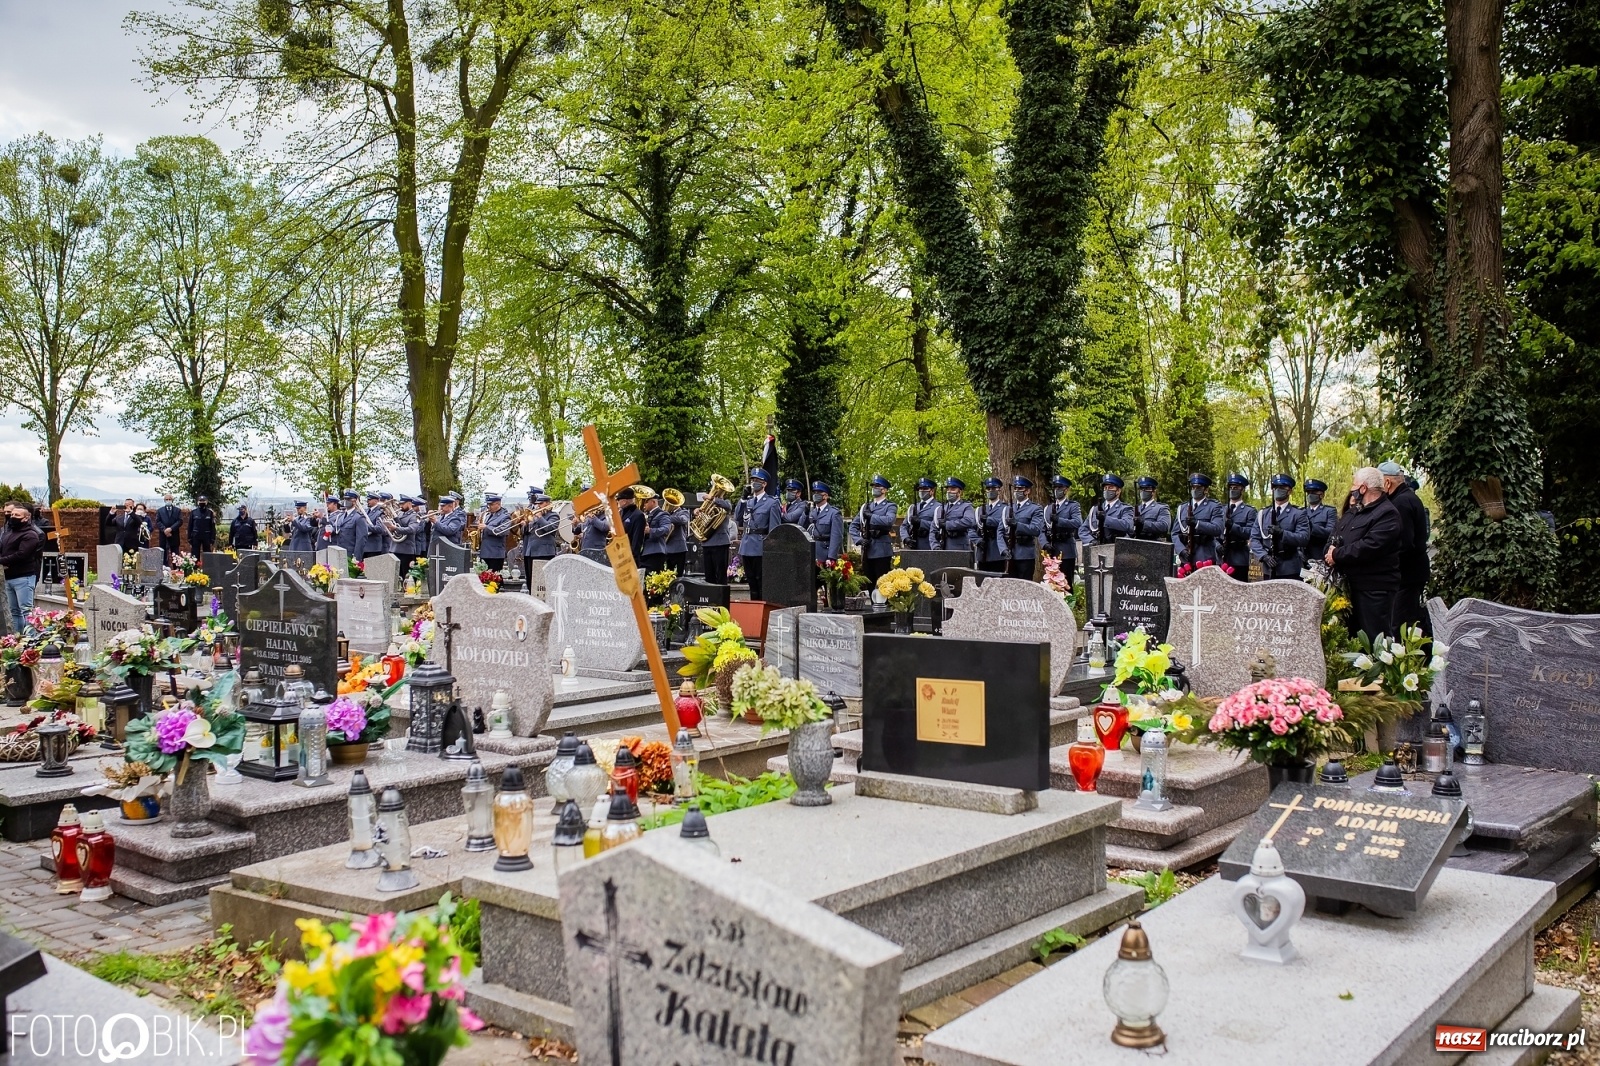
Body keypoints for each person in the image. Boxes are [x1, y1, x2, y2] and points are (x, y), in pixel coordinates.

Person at [1326, 466, 1403, 644]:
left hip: (1374, 589)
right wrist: (1330, 550)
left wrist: (1337, 554)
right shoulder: (1355, 511)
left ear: (1363, 488)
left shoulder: (1387, 513)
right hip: (1350, 586)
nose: (1351, 489)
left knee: (1374, 640)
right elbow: (1336, 534)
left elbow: (1369, 546)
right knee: (1351, 640)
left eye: (1354, 485)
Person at [1379, 460, 1431, 637]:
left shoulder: (1401, 502)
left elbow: (1404, 543)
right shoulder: (1406, 497)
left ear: (1387, 482)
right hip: (1411, 573)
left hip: (1407, 574)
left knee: (1400, 624)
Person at [1250, 474, 1309, 579]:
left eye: (1282, 488)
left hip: (1290, 568)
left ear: (1289, 491)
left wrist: (1282, 533)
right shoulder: (1263, 514)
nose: (1278, 490)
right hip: (1268, 567)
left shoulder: (1298, 513)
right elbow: (1254, 539)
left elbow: (1303, 538)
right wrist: (1263, 556)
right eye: (1275, 487)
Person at [735, 469, 782, 597]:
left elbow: (774, 530)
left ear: (764, 484)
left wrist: (770, 548)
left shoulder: (772, 503)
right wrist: (743, 499)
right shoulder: (748, 501)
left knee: (761, 580)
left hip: (760, 546)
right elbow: (738, 517)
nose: (754, 483)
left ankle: (761, 605)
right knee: (751, 580)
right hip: (747, 545)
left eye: (757, 480)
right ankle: (754, 604)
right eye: (753, 480)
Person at [0, 501, 44, 632]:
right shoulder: (8, 533)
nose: (12, 517)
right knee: (14, 611)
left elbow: (21, 555)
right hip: (9, 576)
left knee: (27, 611)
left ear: (26, 518)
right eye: (12, 514)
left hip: (23, 577)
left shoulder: (31, 535)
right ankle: (17, 637)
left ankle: (31, 638)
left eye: (17, 515)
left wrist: (1, 561)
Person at [850, 475, 898, 582]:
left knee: (883, 584)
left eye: (877, 486)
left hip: (882, 551)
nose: (874, 489)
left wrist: (871, 516)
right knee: (869, 582)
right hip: (867, 549)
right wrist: (859, 540)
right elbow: (853, 526)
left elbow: (889, 520)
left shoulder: (890, 506)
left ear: (884, 490)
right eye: (873, 486)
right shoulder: (866, 507)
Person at [1173, 473, 1225, 567]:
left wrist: (1197, 524)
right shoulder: (1182, 508)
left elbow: (1218, 529)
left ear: (1206, 490)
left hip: (1205, 557)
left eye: (1198, 487)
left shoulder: (1214, 506)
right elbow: (1175, 533)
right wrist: (1181, 550)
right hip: (1186, 558)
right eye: (1193, 487)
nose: (1195, 490)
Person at [1041, 476, 1081, 584]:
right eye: (1055, 488)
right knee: (1051, 584)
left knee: (1066, 584)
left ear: (1066, 490)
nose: (1057, 490)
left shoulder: (1073, 506)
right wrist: (1044, 543)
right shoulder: (1048, 508)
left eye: (1060, 488)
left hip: (1066, 550)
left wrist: (1059, 520)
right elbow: (1042, 529)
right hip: (1052, 550)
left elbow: (1077, 522)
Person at [696, 477, 735, 585]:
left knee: (721, 575)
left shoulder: (725, 502)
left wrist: (713, 499)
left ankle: (721, 595)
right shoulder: (707, 504)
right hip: (707, 542)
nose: (715, 490)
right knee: (709, 576)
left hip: (720, 542)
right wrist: (697, 512)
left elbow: (728, 507)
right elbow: (702, 518)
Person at [1005, 476, 1046, 579]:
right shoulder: (1008, 508)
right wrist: (1003, 550)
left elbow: (1036, 529)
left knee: (1025, 585)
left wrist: (1017, 525)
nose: (1017, 491)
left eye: (1020, 488)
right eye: (1015, 488)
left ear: (1027, 491)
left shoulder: (1035, 508)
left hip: (1025, 554)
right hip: (1010, 553)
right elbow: (1000, 530)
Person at [1081, 475, 1135, 546]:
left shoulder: (1125, 508)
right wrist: (1091, 540)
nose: (1107, 490)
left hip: (1116, 547)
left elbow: (1128, 525)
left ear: (1118, 491)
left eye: (1110, 488)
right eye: (1105, 488)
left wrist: (1106, 519)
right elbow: (1083, 530)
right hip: (1096, 548)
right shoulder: (1095, 509)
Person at [519, 488, 563, 574]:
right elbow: (527, 533)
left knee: (541, 579)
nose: (538, 506)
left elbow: (549, 528)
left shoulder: (553, 516)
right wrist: (525, 525)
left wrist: (540, 517)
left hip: (544, 552)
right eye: (537, 504)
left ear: (548, 504)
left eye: (541, 503)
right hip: (530, 551)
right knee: (529, 578)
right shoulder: (534, 516)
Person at [1221, 474, 1256, 577]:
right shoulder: (1221, 510)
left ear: (1242, 490)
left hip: (1239, 558)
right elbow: (1215, 531)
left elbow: (1250, 532)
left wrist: (1233, 526)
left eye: (1235, 488)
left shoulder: (1249, 511)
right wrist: (1217, 545)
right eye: (1231, 488)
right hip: (1222, 556)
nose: (1232, 490)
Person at [932, 478, 977, 554]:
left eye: (953, 489)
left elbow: (968, 521)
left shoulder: (966, 507)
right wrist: (935, 546)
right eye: (948, 489)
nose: (949, 492)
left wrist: (947, 524)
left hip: (960, 548)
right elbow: (933, 529)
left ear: (959, 492)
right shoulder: (940, 509)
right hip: (943, 547)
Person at [1302, 479, 1335, 571]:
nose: (1310, 495)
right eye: (1308, 492)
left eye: (1314, 492)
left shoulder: (1329, 511)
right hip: (1303, 558)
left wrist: (1312, 527)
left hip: (1320, 557)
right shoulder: (1301, 512)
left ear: (1322, 495)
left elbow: (1331, 532)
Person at [976, 477, 1008, 572]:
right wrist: (977, 540)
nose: (990, 491)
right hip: (983, 551)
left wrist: (989, 520)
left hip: (997, 551)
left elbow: (1004, 523)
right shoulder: (980, 509)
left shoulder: (1005, 508)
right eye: (988, 489)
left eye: (993, 488)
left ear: (999, 490)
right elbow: (972, 529)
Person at [808, 482, 844, 564]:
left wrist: (831, 557)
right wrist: (805, 513)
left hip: (825, 554)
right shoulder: (812, 512)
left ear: (825, 496)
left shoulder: (834, 513)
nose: (815, 495)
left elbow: (836, 536)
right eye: (814, 492)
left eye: (818, 493)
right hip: (811, 553)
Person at [477, 492, 513, 574]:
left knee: (495, 578)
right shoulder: (488, 515)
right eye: (488, 504)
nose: (489, 506)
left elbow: (503, 531)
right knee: (483, 577)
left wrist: (486, 527)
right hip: (485, 551)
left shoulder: (505, 516)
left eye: (491, 504)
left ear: (498, 504)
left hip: (495, 553)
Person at [639, 487, 671, 576]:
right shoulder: (645, 514)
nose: (643, 504)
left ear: (653, 502)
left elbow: (666, 529)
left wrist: (650, 531)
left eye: (645, 502)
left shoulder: (663, 514)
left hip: (655, 552)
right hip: (644, 552)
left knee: (652, 579)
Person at [900, 478, 939, 551]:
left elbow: (938, 525)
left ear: (932, 491)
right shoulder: (913, 507)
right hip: (913, 546)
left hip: (929, 546)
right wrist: (906, 539)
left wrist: (921, 523)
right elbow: (904, 526)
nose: (922, 491)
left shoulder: (938, 507)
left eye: (925, 489)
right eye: (920, 489)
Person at [1131, 477, 1171, 541]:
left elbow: (1164, 526)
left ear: (1153, 491)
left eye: (1146, 489)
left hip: (1153, 543)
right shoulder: (1135, 509)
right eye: (1141, 489)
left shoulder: (1161, 508)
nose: (1143, 491)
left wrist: (1143, 523)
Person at [661, 489, 691, 574]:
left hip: (679, 548)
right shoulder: (666, 513)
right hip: (666, 548)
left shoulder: (683, 512)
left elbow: (683, 520)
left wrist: (666, 517)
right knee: (667, 574)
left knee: (679, 574)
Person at [617, 487, 647, 566]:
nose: (617, 502)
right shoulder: (621, 513)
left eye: (618, 500)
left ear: (624, 501)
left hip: (629, 557)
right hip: (619, 554)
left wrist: (631, 557)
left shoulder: (638, 515)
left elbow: (637, 540)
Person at [155, 494, 183, 561]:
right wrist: (164, 530)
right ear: (164, 500)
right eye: (166, 499)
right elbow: (158, 521)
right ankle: (164, 566)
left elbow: (180, 521)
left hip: (174, 535)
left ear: (172, 500)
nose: (168, 501)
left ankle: (176, 567)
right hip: (163, 535)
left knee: (175, 555)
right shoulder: (160, 511)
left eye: (169, 499)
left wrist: (171, 529)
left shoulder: (177, 510)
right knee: (163, 555)